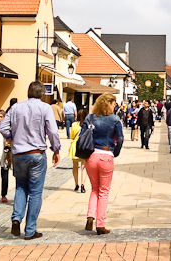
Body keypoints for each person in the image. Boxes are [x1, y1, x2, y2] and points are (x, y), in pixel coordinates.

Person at [0, 81, 61, 241]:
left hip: (19, 154)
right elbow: (53, 131)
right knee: (35, 192)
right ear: (41, 93)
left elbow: (2, 127)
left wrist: (13, 137)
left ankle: (16, 219)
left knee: (21, 187)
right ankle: (30, 230)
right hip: (36, 154)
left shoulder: (16, 108)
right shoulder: (45, 108)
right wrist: (56, 149)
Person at [80, 93, 124, 235]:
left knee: (94, 189)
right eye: (113, 103)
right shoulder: (115, 119)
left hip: (92, 156)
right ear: (108, 103)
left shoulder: (90, 117)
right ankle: (100, 224)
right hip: (106, 156)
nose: (115, 106)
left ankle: (90, 217)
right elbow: (121, 139)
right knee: (104, 192)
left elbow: (82, 136)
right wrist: (115, 152)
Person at [69, 109, 88, 193]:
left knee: (75, 166)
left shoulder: (74, 125)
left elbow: (72, 136)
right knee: (84, 167)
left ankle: (76, 184)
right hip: (84, 146)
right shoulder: (88, 125)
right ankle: (83, 184)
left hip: (75, 146)